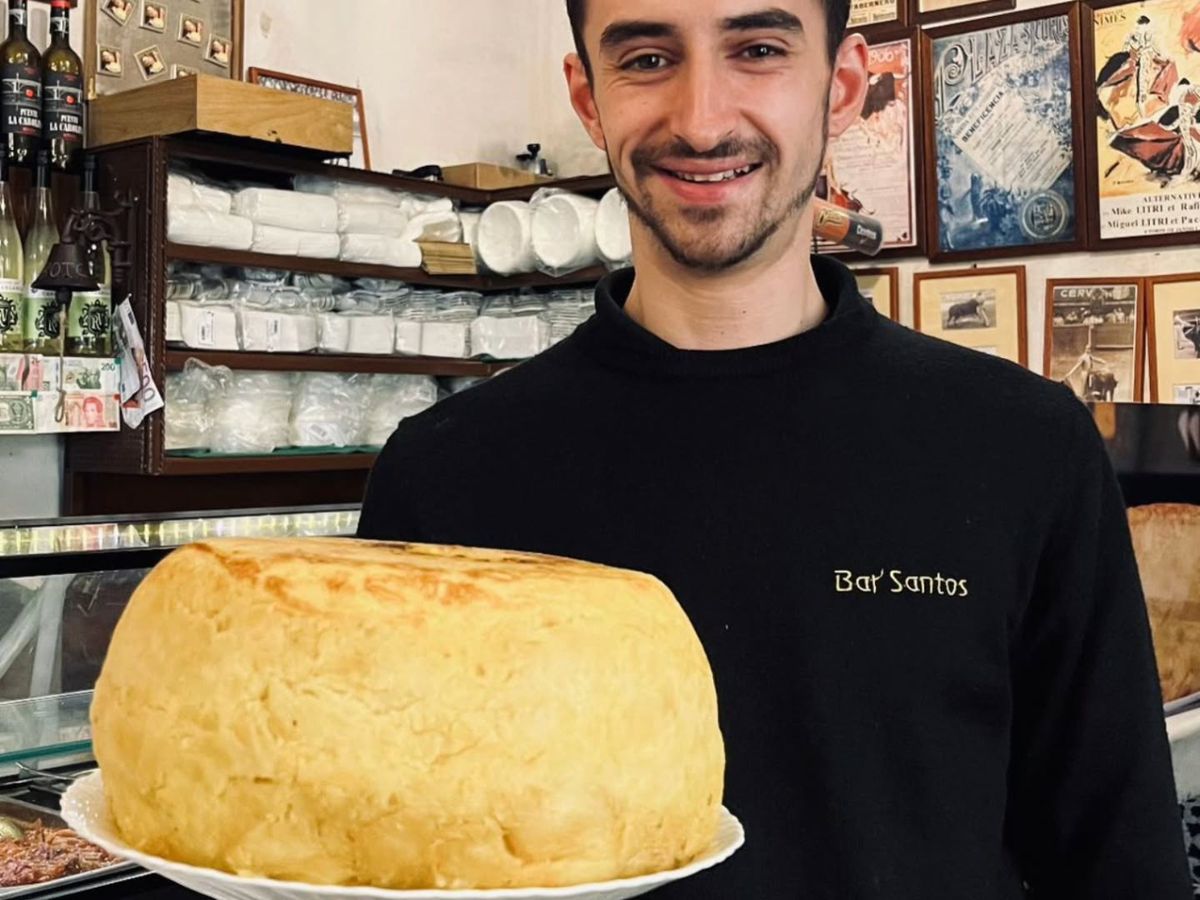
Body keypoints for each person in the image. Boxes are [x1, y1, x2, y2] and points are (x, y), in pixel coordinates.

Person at [359, 1, 1190, 896]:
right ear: (588, 98)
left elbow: (1118, 863)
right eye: (645, 58)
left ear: (841, 86)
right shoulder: (443, 475)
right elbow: (381, 845)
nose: (702, 119)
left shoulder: (1025, 450)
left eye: (757, 50)